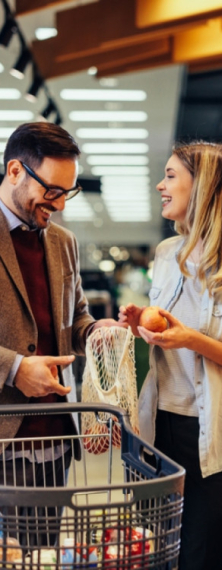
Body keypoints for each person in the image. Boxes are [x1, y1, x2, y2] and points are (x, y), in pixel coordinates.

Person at [119, 141, 222, 570]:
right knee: (158, 553)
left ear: (202, 185)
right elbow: (166, 331)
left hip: (215, 433)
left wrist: (193, 340)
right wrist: (139, 324)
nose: (160, 185)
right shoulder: (166, 255)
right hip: (160, 425)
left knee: (198, 558)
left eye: (170, 176)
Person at [0, 122, 124, 546]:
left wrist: (97, 333)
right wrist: (15, 368)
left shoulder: (63, 243)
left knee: (43, 554)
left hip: (54, 437)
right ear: (15, 171)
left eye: (66, 193)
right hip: (4, 440)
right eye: (52, 190)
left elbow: (75, 319)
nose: (61, 205)